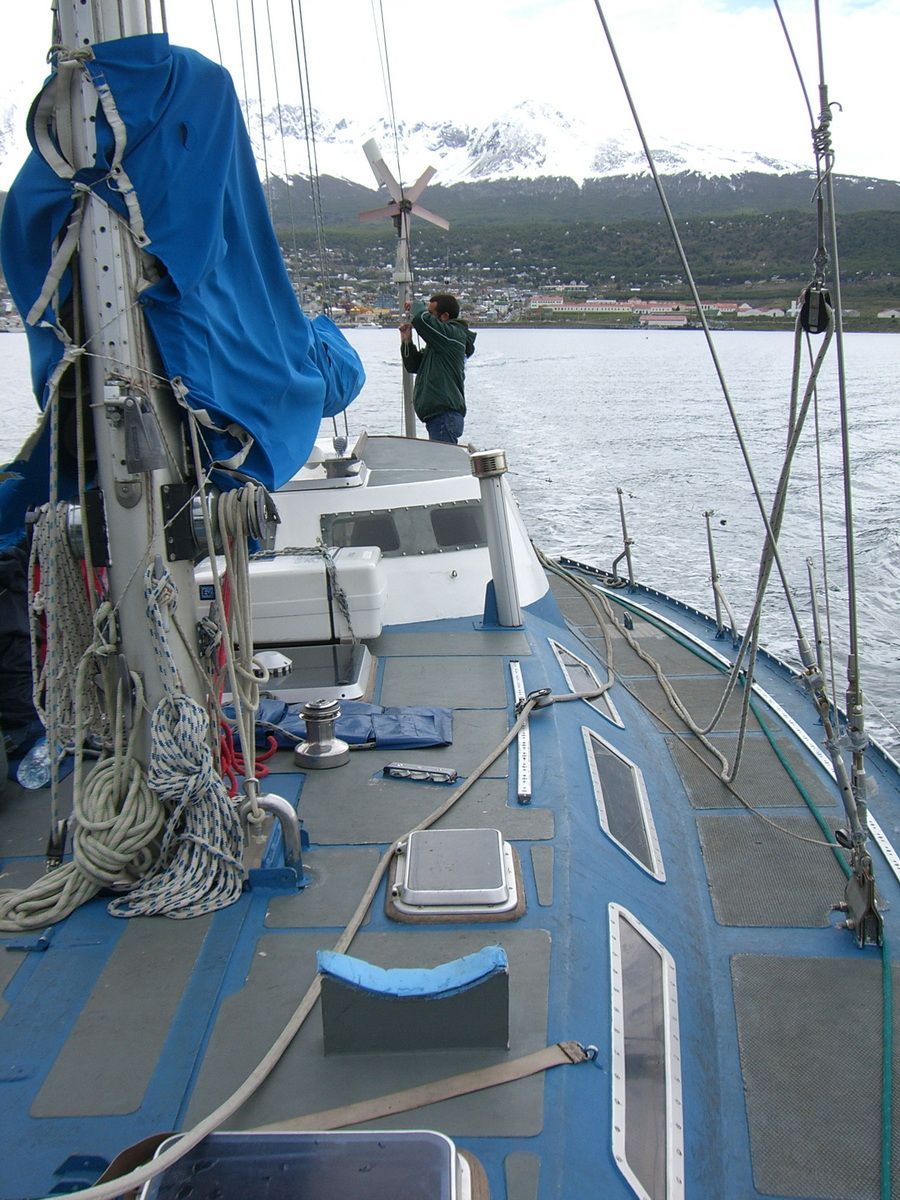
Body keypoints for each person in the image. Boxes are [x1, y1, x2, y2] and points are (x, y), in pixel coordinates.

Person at [399, 294, 476, 443]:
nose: (429, 317)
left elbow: (422, 320)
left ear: (445, 316)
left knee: (444, 463)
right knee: (443, 461)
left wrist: (416, 305)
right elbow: (413, 365)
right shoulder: (440, 344)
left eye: (432, 314)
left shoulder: (453, 336)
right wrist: (407, 340)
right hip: (439, 417)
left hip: (444, 415)